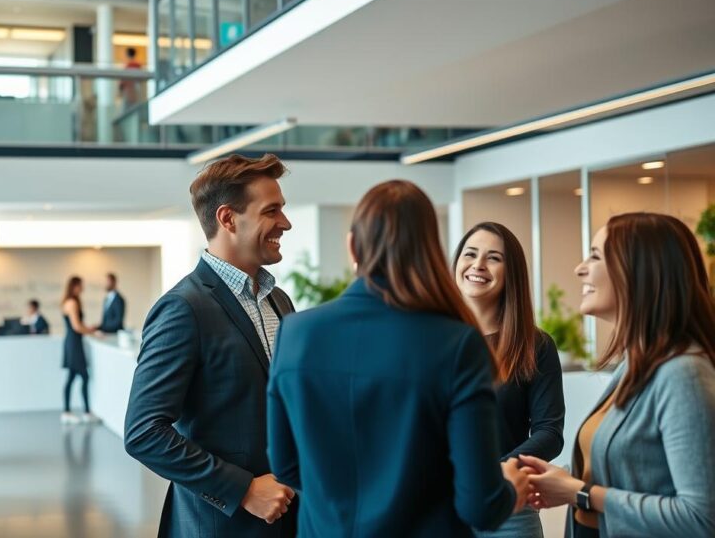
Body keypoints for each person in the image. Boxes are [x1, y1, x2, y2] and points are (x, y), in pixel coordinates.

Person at [267, 180, 529, 537]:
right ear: (430, 251)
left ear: (352, 245)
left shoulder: (296, 333)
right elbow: (480, 507)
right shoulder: (456, 343)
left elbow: (284, 464)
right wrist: (511, 489)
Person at [125, 153, 298, 538]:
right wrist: (244, 489)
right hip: (219, 525)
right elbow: (144, 432)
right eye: (272, 211)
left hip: (288, 520)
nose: (285, 223)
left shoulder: (279, 300)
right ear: (227, 218)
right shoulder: (183, 308)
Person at [521, 213, 715, 538]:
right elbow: (636, 472)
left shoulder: (684, 374)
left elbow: (702, 517)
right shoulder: (635, 363)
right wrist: (560, 479)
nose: (580, 268)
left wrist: (580, 493)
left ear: (640, 271)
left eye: (595, 256)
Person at [453, 222, 566, 538]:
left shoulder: (536, 345)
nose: (478, 265)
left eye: (494, 258)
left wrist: (493, 470)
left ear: (510, 272)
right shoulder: (430, 338)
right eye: (470, 254)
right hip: (441, 503)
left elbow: (550, 432)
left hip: (509, 507)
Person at [61, 276, 100, 424]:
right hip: (74, 344)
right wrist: (92, 332)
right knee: (83, 376)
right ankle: (85, 412)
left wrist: (90, 329)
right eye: (81, 285)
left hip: (73, 342)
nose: (83, 288)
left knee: (72, 378)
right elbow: (77, 326)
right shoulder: (72, 303)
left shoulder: (71, 302)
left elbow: (78, 325)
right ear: (75, 286)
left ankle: (69, 411)